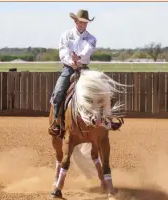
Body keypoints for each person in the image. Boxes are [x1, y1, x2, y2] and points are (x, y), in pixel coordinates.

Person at [48, 9, 122, 137]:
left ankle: (107, 118)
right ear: (75, 21)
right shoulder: (65, 35)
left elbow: (88, 51)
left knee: (104, 89)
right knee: (59, 91)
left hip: (84, 69)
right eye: (80, 22)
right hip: (68, 68)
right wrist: (72, 60)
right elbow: (63, 52)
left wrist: (79, 57)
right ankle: (57, 121)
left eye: (85, 23)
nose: (83, 25)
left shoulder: (91, 38)